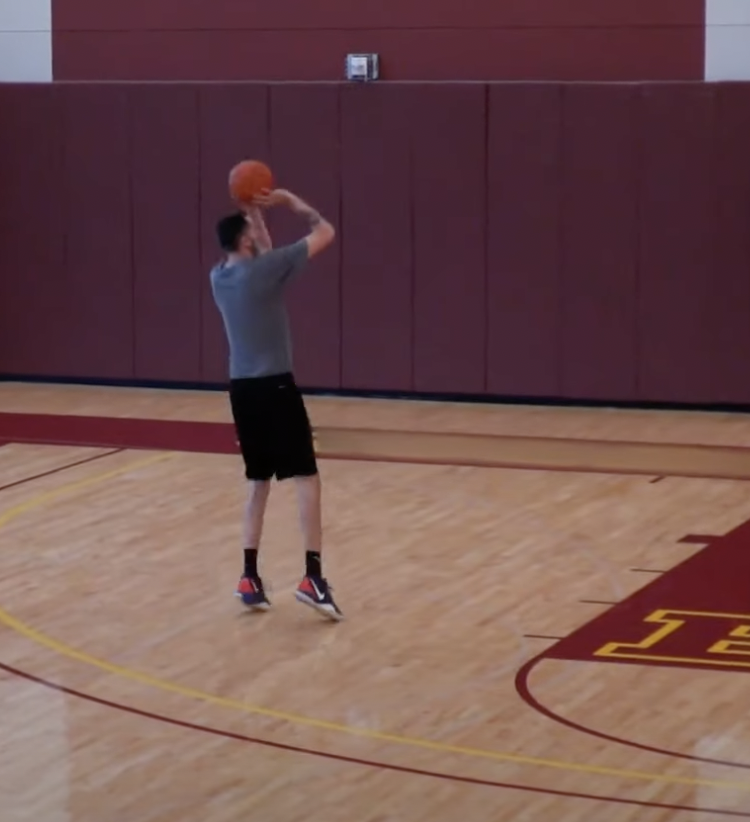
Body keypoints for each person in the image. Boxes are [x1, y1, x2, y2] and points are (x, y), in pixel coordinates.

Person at [210, 188, 342, 621]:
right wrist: (291, 203)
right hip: (276, 389)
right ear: (246, 241)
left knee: (258, 481)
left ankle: (248, 575)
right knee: (307, 477)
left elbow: (261, 252)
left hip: (242, 392)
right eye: (252, 231)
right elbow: (325, 232)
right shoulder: (265, 270)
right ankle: (312, 577)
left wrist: (251, 214)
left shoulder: (220, 276)